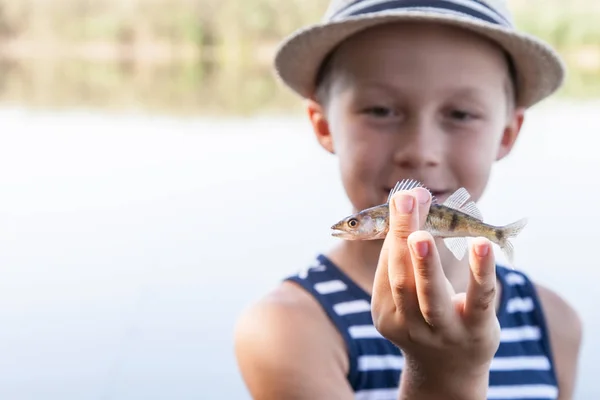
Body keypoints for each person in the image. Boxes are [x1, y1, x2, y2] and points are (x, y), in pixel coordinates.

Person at [234, 0, 583, 399]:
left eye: (461, 114)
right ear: (324, 125)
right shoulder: (288, 329)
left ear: (507, 134)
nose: (420, 151)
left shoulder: (555, 324)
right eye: (381, 110)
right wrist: (445, 377)